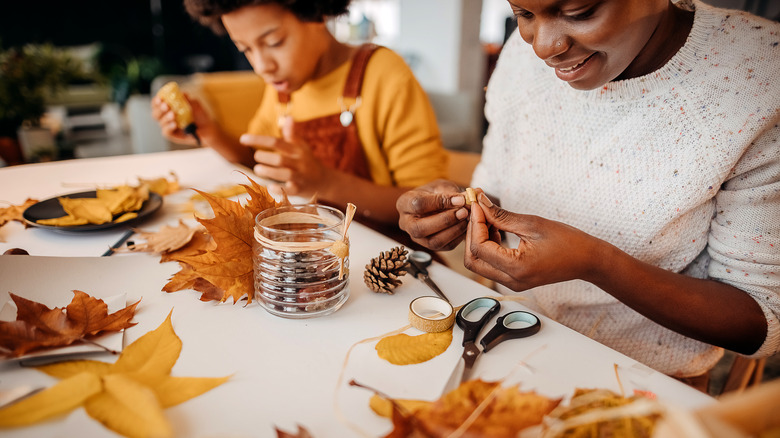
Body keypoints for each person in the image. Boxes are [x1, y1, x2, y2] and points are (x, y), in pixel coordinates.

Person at [397, 0, 780, 387]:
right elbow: (495, 185)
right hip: (503, 338)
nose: (543, 47)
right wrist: (459, 212)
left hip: (642, 383)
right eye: (523, 15)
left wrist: (597, 264)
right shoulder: (519, 58)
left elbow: (759, 320)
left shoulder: (761, 76)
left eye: (579, 12)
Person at [152, 0, 448, 226]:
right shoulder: (284, 87)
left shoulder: (384, 75)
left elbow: (427, 206)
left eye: (273, 43)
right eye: (246, 49)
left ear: (316, 12)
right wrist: (209, 132)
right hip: (317, 251)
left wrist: (326, 182)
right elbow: (257, 159)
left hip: (393, 257)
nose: (262, 66)